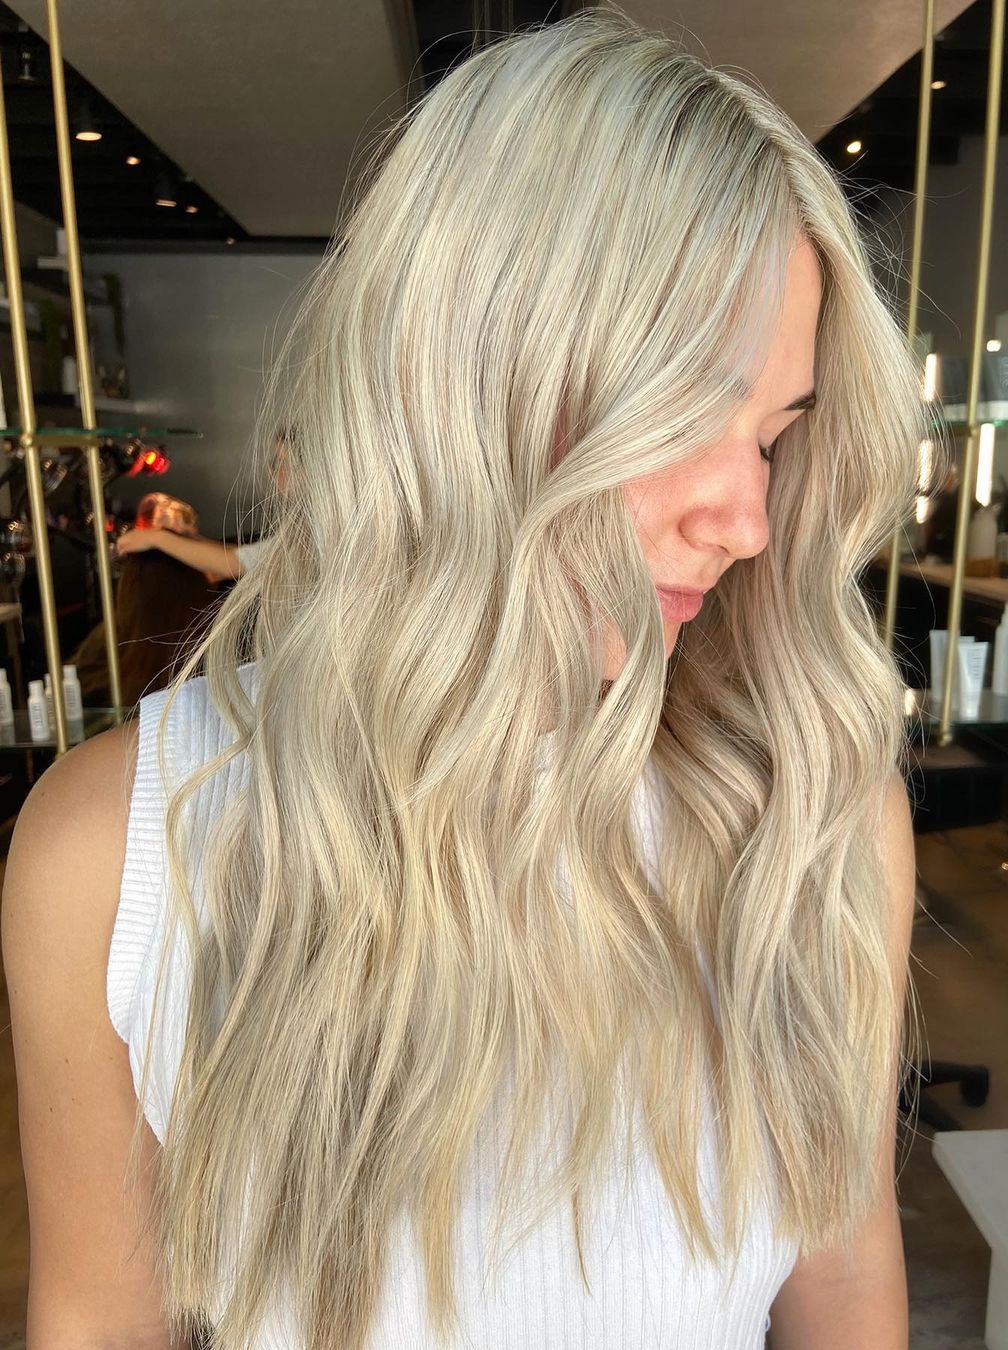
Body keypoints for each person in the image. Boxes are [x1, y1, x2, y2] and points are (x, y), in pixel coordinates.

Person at [2, 12, 945, 1350]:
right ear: (460, 383)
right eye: (682, 413)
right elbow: (100, 1325)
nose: (746, 519)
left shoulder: (809, 815)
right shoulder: (117, 850)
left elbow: (844, 1282)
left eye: (773, 437)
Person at [67, 492, 224, 707]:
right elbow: (246, 559)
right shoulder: (218, 647)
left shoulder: (101, 650)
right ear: (200, 583)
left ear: (128, 587)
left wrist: (159, 539)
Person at [114, 433, 290, 579]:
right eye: (275, 461)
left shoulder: (303, 527)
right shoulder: (294, 522)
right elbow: (243, 557)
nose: (274, 470)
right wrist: (192, 539)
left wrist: (157, 538)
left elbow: (235, 564)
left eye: (282, 462)